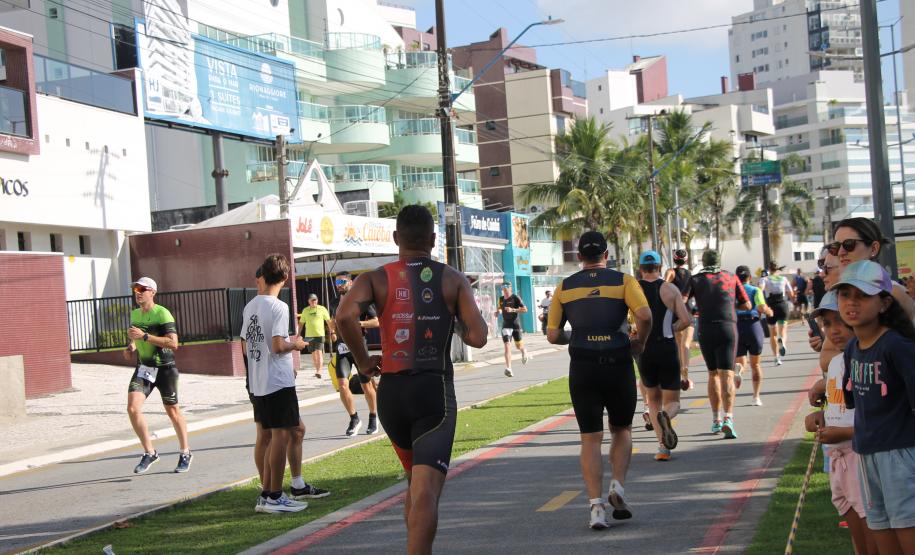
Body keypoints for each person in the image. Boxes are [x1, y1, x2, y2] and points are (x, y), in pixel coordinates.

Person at [336, 205, 488, 555]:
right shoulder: (451, 278)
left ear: (395, 239)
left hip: (392, 395)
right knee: (426, 493)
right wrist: (452, 316)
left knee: (413, 485)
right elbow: (478, 337)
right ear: (433, 240)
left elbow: (344, 315)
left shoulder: (374, 278)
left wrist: (362, 362)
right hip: (433, 393)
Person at [547, 231, 652, 530]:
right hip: (617, 364)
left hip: (583, 367)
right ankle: (617, 486)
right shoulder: (624, 281)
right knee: (621, 429)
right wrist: (639, 343)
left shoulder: (564, 286)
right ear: (607, 255)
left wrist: (576, 335)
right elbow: (644, 315)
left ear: (579, 256)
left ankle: (596, 509)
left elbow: (553, 335)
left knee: (590, 438)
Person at [835, 260, 915, 553]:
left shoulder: (897, 346)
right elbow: (857, 402)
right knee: (880, 525)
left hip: (901, 454)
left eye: (862, 295)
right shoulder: (853, 349)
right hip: (867, 453)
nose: (851, 302)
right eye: (844, 294)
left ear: (883, 303)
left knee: (906, 524)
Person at [803, 290, 877, 555]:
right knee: (852, 520)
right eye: (827, 324)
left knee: (873, 532)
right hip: (838, 457)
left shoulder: (866, 362)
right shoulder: (836, 363)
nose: (834, 331)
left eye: (841, 322)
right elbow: (839, 407)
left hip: (860, 457)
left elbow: (881, 419)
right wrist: (820, 418)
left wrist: (841, 432)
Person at [241, 255, 313, 513]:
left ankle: (266, 494)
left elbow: (247, 345)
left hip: (259, 381)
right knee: (281, 437)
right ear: (284, 278)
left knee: (268, 437)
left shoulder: (250, 306)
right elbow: (278, 345)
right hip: (278, 382)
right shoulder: (279, 307)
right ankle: (273, 495)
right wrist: (298, 344)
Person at [123, 277, 192, 474]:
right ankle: (149, 452)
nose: (138, 292)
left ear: (152, 292)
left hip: (165, 369)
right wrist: (132, 346)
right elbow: (138, 338)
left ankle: (185, 452)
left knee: (173, 412)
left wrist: (144, 337)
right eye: (135, 288)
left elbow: (173, 343)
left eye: (142, 289)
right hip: (144, 368)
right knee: (132, 408)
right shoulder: (135, 313)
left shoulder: (162, 313)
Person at [684, 251, 751, 438]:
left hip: (706, 328)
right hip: (728, 327)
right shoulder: (731, 276)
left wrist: (697, 310)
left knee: (712, 374)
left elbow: (682, 301)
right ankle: (729, 418)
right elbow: (747, 304)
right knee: (727, 374)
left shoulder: (695, 279)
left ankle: (716, 420)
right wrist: (730, 306)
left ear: (703, 262)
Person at [637, 251, 691, 461]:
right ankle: (666, 416)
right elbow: (686, 320)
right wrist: (672, 326)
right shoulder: (670, 289)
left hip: (644, 350)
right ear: (659, 267)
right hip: (666, 347)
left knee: (653, 401)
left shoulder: (634, 290)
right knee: (673, 401)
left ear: (641, 268)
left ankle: (662, 448)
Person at [832, 216, 915, 320]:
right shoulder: (836, 291)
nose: (841, 252)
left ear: (874, 248)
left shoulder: (893, 292)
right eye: (836, 246)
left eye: (849, 244)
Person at [329, 271, 380, 436]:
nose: (339, 286)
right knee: (343, 385)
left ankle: (373, 416)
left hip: (358, 347)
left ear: (351, 283)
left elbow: (377, 321)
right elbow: (333, 321)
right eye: (337, 283)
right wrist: (332, 331)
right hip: (342, 349)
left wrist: (359, 323)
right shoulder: (335, 302)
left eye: (342, 282)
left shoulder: (361, 301)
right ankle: (354, 418)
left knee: (366, 385)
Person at [734, 265, 774, 406]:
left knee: (740, 361)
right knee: (755, 364)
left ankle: (739, 370)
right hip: (753, 326)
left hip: (737, 327)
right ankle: (756, 397)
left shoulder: (732, 291)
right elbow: (762, 307)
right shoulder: (755, 290)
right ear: (750, 277)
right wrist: (769, 312)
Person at [665, 248, 695, 390]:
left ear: (674, 259)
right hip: (688, 311)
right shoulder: (691, 274)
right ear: (686, 260)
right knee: (686, 345)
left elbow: (663, 286)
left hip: (675, 311)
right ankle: (685, 374)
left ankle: (679, 375)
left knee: (677, 345)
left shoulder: (671, 272)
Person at [760, 261, 794, 366]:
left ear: (769, 269)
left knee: (772, 334)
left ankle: (776, 357)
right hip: (782, 305)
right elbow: (791, 293)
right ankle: (782, 342)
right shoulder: (783, 279)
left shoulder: (765, 279)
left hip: (771, 306)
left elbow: (760, 289)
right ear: (777, 269)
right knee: (783, 330)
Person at [496, 282, 530, 377]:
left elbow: (525, 309)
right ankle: (509, 368)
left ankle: (524, 351)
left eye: (506, 288)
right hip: (506, 325)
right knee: (507, 345)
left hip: (515, 325)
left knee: (519, 346)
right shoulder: (501, 299)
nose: (505, 290)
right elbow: (500, 308)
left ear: (510, 288)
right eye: (503, 288)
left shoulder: (516, 297)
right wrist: (497, 312)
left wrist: (513, 310)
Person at [298, 293, 331, 379]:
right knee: (313, 354)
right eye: (312, 300)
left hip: (319, 335)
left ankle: (319, 371)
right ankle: (317, 370)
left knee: (319, 352)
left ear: (317, 300)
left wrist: (333, 331)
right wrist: (298, 333)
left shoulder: (322, 309)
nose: (314, 301)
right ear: (308, 301)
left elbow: (328, 321)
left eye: (315, 300)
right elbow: (301, 323)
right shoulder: (305, 310)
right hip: (309, 336)